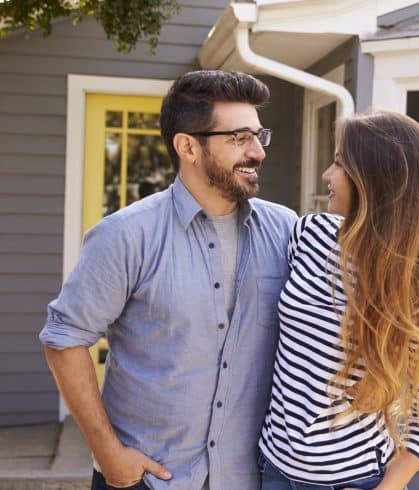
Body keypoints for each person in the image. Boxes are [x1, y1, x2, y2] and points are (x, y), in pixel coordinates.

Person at [40, 70, 297, 490]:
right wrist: (108, 454)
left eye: (258, 135)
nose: (258, 152)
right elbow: (64, 338)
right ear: (188, 147)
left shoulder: (287, 232)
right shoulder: (126, 235)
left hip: (249, 478)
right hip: (147, 479)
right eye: (239, 138)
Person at [258, 110, 419, 490]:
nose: (326, 175)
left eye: (339, 163)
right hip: (272, 469)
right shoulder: (309, 235)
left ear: (375, 180)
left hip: (352, 480)